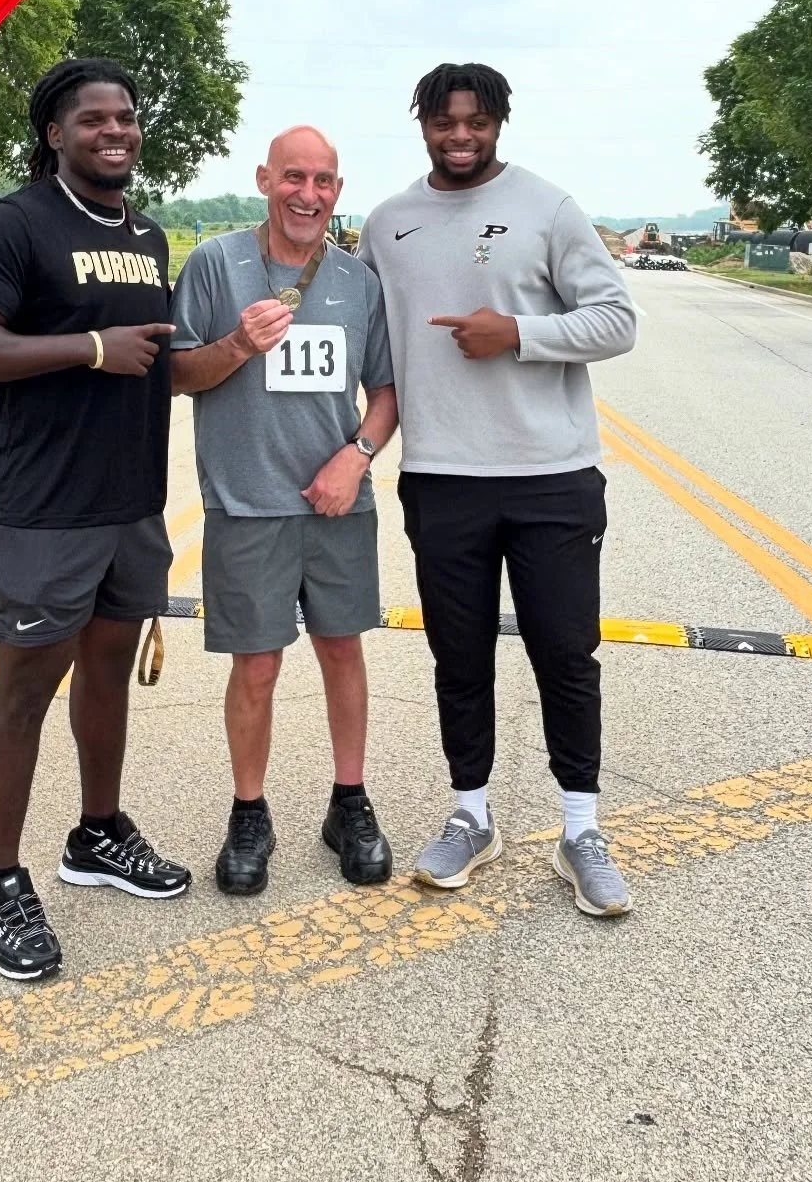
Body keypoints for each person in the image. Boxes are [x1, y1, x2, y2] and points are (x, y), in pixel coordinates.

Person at [356, 63, 638, 917]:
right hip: (442, 478)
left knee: (565, 653)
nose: (460, 136)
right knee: (459, 657)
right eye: (444, 122)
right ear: (422, 125)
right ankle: (470, 816)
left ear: (500, 123)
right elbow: (367, 342)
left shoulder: (550, 208)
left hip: (551, 475)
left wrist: (518, 333)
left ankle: (580, 831)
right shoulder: (388, 223)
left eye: (476, 121)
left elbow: (616, 319)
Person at [0, 58, 191, 983]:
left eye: (126, 116)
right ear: (54, 133)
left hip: (129, 504)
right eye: (93, 119)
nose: (115, 130)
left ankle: (97, 834)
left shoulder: (150, 236)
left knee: (108, 678)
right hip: (43, 508)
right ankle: (0, 882)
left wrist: (236, 347)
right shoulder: (14, 223)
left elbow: (158, 364)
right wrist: (88, 347)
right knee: (25, 692)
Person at [170, 127, 398, 896]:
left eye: (325, 181)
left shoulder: (358, 283)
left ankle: (349, 803)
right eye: (294, 177)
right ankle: (249, 813)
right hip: (246, 506)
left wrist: (356, 456)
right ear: (266, 179)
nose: (309, 194)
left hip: (337, 505)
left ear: (339, 190)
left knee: (342, 651)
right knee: (257, 667)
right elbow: (176, 374)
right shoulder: (215, 264)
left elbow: (386, 393)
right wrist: (237, 343)